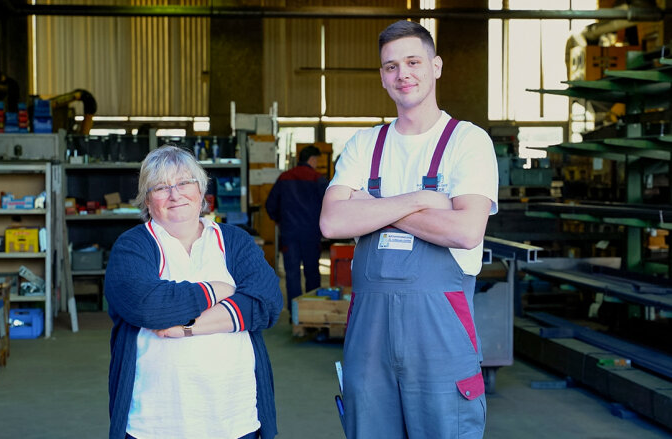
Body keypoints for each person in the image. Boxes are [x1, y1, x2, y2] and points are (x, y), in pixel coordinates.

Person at [319, 20, 498, 439]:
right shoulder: (365, 145)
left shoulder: (467, 142)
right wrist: (423, 200)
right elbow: (331, 221)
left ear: (435, 66)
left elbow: (466, 230)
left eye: (413, 61)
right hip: (369, 340)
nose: (403, 74)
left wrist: (372, 207)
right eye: (390, 66)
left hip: (440, 335)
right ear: (382, 76)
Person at [105, 145, 283, 439]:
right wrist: (218, 289)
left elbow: (266, 303)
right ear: (147, 199)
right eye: (161, 187)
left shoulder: (234, 241)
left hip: (234, 417)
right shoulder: (132, 246)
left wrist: (185, 328)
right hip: (154, 421)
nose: (175, 194)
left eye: (184, 182)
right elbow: (149, 307)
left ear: (201, 190)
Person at [265, 145, 328, 315]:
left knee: (292, 274)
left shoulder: (284, 178)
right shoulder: (318, 179)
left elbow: (270, 205)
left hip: (289, 234)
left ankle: (295, 316)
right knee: (312, 273)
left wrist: (279, 221)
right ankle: (312, 313)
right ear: (312, 159)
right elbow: (329, 205)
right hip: (311, 234)